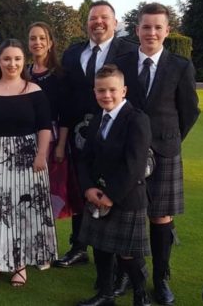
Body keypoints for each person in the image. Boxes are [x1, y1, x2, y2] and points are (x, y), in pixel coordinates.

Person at [116, 2, 200, 305]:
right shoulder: (121, 63)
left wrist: (171, 140)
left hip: (165, 151)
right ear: (137, 29)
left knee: (160, 218)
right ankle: (129, 274)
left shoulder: (180, 66)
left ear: (166, 31)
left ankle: (161, 278)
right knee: (128, 214)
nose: (151, 32)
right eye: (146, 26)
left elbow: (189, 111)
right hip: (128, 151)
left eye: (157, 27)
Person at [0, 39, 57, 287]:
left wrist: (41, 155)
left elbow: (44, 127)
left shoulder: (35, 92)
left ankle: (19, 264)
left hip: (27, 160)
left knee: (21, 212)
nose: (12, 63)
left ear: (23, 61)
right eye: (7, 58)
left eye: (17, 58)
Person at [56, 1, 137, 279]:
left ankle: (117, 257)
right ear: (86, 23)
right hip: (80, 133)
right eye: (93, 18)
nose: (98, 22)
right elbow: (65, 98)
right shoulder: (73, 53)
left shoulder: (129, 52)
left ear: (115, 23)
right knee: (81, 186)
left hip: (117, 131)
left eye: (104, 18)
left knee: (113, 188)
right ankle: (78, 246)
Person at [75, 65, 152, 306]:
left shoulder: (137, 119)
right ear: (94, 92)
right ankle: (106, 295)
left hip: (126, 198)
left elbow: (135, 164)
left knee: (128, 255)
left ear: (124, 90)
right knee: (100, 248)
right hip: (96, 195)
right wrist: (88, 188)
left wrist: (112, 195)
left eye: (111, 90)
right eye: (100, 90)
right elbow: (85, 158)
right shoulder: (98, 118)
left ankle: (141, 296)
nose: (106, 95)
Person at [27, 21, 77, 222]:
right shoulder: (24, 72)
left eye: (41, 38)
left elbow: (66, 113)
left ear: (50, 43)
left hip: (52, 141)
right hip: (24, 139)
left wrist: (61, 146)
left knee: (47, 197)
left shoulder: (60, 75)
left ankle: (45, 246)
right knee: (26, 194)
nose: (37, 42)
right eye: (32, 38)